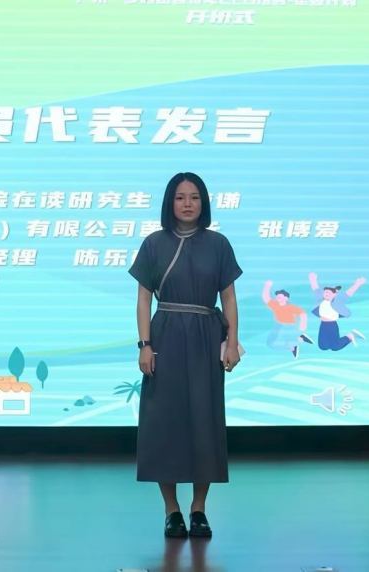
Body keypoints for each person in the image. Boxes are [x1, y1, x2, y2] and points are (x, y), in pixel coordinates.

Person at [129, 173, 243, 539]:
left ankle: (199, 509)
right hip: (165, 335)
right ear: (170, 203)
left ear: (204, 202)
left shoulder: (218, 244)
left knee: (204, 421)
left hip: (206, 337)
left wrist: (232, 341)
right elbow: (144, 299)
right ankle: (171, 510)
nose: (188, 204)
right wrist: (145, 345)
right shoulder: (153, 243)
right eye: (180, 197)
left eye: (194, 197)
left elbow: (228, 297)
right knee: (165, 422)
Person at [307, 273, 365, 351]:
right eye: (325, 292)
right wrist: (313, 279)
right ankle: (347, 338)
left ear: (335, 294)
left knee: (335, 347)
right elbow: (315, 288)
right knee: (323, 346)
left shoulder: (337, 302)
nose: (326, 294)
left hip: (332, 325)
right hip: (323, 325)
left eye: (329, 292)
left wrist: (357, 284)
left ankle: (350, 336)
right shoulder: (320, 300)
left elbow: (348, 293)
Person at [261, 281, 313, 358]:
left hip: (289, 326)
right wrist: (267, 286)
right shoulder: (274, 304)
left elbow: (303, 314)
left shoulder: (291, 307)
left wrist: (303, 325)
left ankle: (297, 341)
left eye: (280, 297)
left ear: (286, 298)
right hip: (278, 325)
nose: (277, 298)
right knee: (270, 343)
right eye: (277, 297)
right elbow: (266, 298)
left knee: (285, 341)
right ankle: (297, 341)